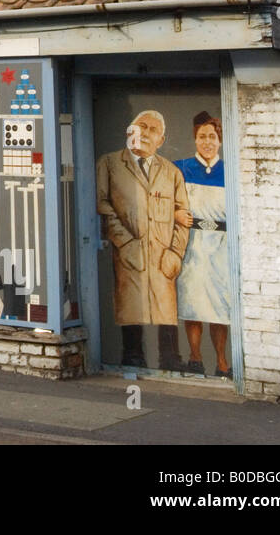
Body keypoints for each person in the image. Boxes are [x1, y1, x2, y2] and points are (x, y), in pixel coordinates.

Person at [96, 110, 193, 370]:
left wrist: (175, 252)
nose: (145, 132)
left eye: (152, 129)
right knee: (131, 307)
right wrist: (125, 242)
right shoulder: (110, 163)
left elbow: (184, 217)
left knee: (163, 308)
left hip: (163, 254)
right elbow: (103, 206)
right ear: (130, 130)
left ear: (161, 140)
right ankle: (133, 357)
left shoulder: (171, 172)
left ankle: (169, 358)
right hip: (129, 252)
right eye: (141, 126)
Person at [174, 112, 231, 377]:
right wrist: (174, 214)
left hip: (221, 246)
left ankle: (222, 362)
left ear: (219, 139)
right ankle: (195, 358)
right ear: (194, 139)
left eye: (212, 136)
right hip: (193, 244)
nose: (207, 142)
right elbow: (158, 198)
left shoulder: (230, 170)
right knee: (193, 302)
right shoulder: (181, 168)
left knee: (221, 306)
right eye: (201, 137)